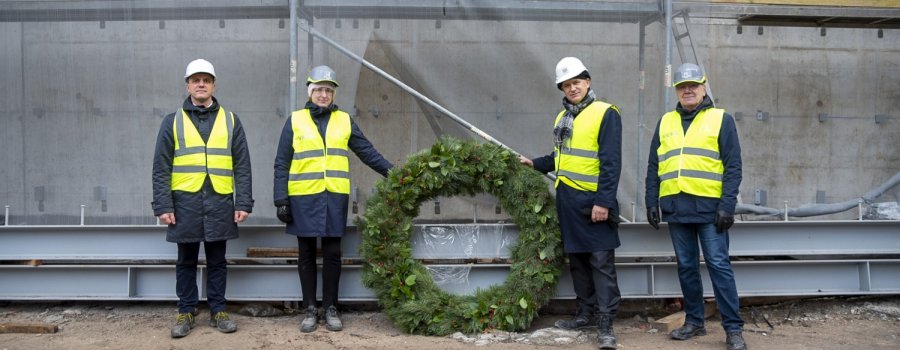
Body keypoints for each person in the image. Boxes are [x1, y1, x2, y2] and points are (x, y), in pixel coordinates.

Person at [273, 65, 393, 333]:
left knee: (332, 254)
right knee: (305, 254)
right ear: (310, 92)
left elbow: (367, 152)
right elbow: (282, 162)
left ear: (334, 93)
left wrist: (392, 172)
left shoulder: (344, 120)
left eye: (328, 90)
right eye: (319, 90)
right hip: (302, 197)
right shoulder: (294, 120)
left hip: (333, 196)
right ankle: (309, 309)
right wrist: (281, 199)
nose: (324, 95)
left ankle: (330, 307)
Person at [519, 57, 622, 349]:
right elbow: (559, 158)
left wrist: (603, 202)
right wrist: (533, 163)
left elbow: (611, 162)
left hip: (594, 202)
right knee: (577, 261)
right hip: (568, 201)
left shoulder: (605, 113)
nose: (572, 88)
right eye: (566, 85)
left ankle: (606, 323)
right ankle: (585, 313)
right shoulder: (562, 118)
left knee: (601, 263)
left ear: (587, 82)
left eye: (576, 82)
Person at [644, 63, 747, 350]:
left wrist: (727, 205)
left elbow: (733, 166)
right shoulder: (665, 122)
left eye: (693, 85)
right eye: (681, 86)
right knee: (687, 266)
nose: (687, 90)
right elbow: (654, 166)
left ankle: (733, 329)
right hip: (677, 208)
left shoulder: (720, 119)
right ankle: (694, 321)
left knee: (718, 266)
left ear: (704, 87)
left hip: (710, 210)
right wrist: (651, 200)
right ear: (676, 91)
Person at [152, 58, 254, 338]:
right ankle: (186, 310)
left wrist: (243, 201)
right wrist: (163, 205)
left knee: (218, 260)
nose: (201, 84)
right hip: (184, 202)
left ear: (213, 85)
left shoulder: (231, 120)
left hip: (220, 200)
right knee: (185, 260)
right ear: (187, 85)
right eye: (196, 80)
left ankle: (218, 310)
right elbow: (161, 167)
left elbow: (242, 165)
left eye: (206, 80)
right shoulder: (172, 121)